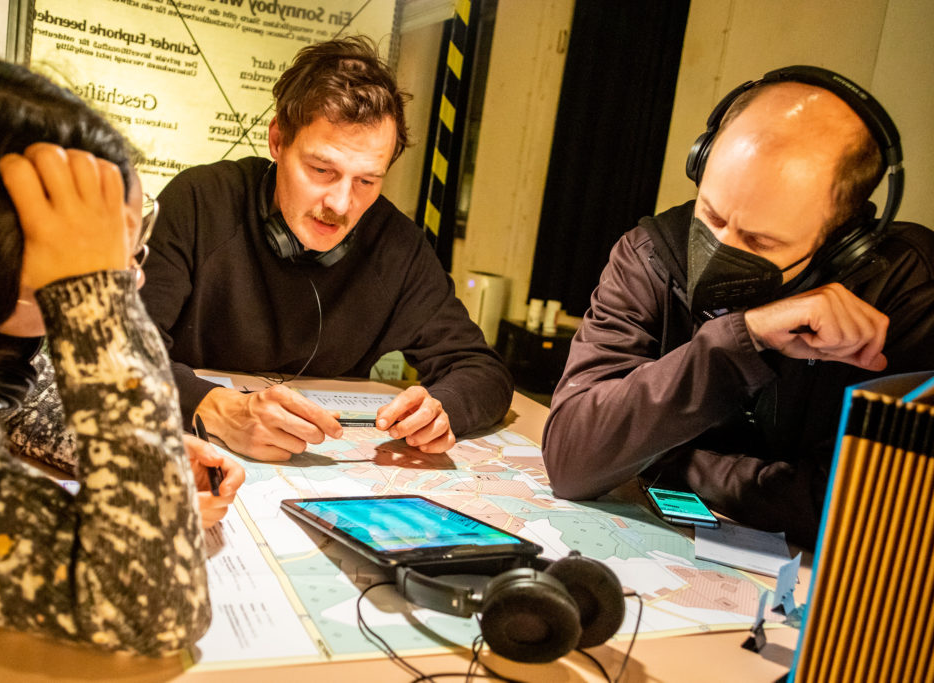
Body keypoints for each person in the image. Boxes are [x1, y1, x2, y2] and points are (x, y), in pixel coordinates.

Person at [542, 66, 934, 547]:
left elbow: (862, 513)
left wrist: (666, 456)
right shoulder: (649, 254)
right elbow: (573, 458)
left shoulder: (908, 290)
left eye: (760, 241)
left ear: (843, 237)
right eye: (711, 214)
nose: (717, 248)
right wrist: (740, 342)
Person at [0, 54, 213, 654]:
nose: (134, 280)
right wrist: (96, 304)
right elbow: (151, 606)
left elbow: (25, 394)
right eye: (105, 262)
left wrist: (145, 450)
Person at [141, 36, 513, 461]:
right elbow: (119, 348)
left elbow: (483, 370)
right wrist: (215, 409)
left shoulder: (395, 244)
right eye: (322, 169)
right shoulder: (200, 201)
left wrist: (442, 409)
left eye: (366, 181)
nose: (340, 204)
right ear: (278, 141)